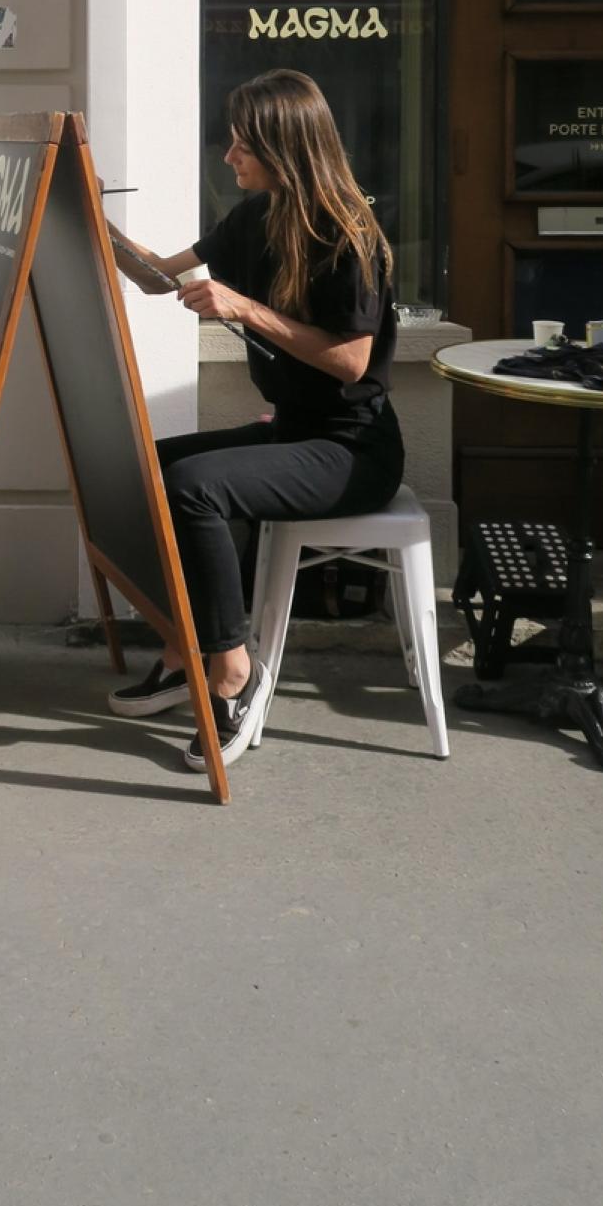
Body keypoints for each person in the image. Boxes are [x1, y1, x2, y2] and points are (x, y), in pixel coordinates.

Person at [105, 68, 403, 770]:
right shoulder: (256, 216)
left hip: (352, 450)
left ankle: (234, 669)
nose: (229, 155)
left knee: (194, 486)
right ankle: (183, 652)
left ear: (283, 149)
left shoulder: (348, 233)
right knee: (146, 465)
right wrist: (91, 216)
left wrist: (243, 306)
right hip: (294, 429)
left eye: (243, 145)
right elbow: (156, 276)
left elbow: (352, 361)